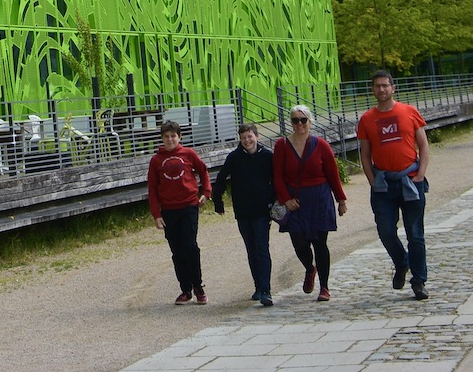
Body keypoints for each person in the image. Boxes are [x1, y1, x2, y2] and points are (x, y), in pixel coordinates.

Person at [357, 70, 431, 300]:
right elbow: (365, 155)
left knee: (415, 234)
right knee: (386, 231)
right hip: (384, 185)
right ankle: (402, 262)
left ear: (393, 88)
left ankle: (419, 281)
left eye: (385, 85)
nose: (381, 90)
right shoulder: (367, 119)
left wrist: (420, 175)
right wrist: (372, 181)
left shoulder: (409, 112)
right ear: (372, 90)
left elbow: (424, 146)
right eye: (377, 86)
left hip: (410, 180)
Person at [272, 103, 347, 301]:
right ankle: (309, 268)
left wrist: (341, 199)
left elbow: (333, 174)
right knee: (299, 242)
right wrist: (285, 200)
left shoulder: (320, 145)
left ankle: (324, 286)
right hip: (295, 200)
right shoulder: (282, 145)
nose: (299, 124)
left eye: (303, 120)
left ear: (310, 121)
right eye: (295, 120)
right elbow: (277, 176)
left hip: (319, 198)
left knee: (320, 243)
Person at [213, 122, 279, 306]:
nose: (247, 140)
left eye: (250, 137)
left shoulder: (267, 156)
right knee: (251, 249)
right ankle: (258, 286)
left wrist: (273, 199)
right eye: (243, 138)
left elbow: (278, 179)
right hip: (242, 210)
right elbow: (221, 178)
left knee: (261, 248)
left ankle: (266, 289)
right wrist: (218, 201)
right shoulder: (234, 157)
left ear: (256, 136)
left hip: (262, 210)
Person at [147, 120, 211, 305]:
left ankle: (198, 286)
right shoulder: (156, 160)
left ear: (180, 137)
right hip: (169, 210)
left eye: (173, 136)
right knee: (177, 251)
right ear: (161, 138)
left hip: (189, 206)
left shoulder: (188, 153)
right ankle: (185, 289)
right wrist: (156, 214)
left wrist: (206, 192)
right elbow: (152, 188)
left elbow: (203, 171)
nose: (170, 140)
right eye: (166, 137)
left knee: (190, 247)